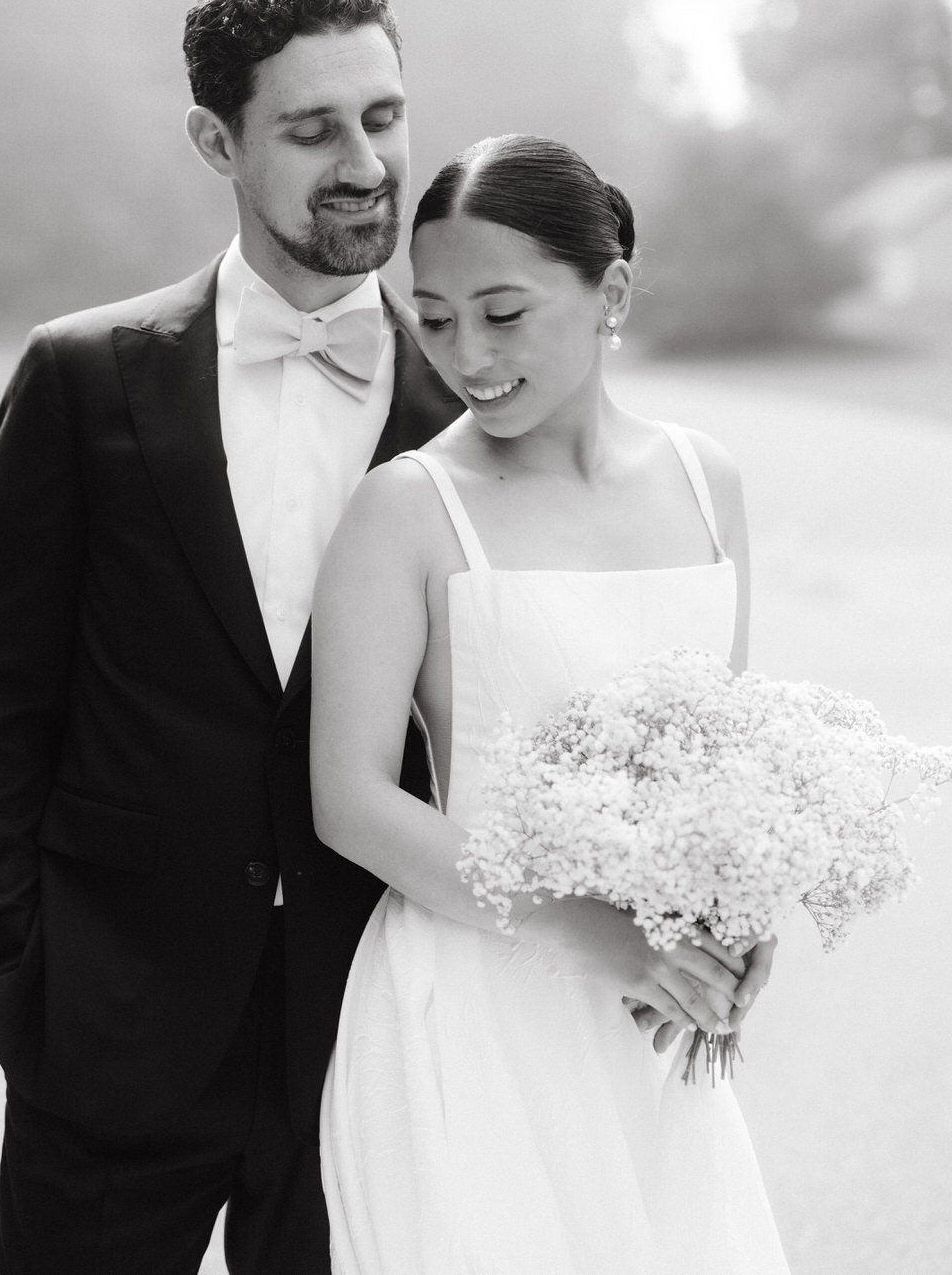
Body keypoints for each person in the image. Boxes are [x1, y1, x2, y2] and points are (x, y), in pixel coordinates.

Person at [0, 0, 458, 1275]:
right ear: (215, 139)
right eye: (311, 128)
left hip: (369, 1041)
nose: (363, 161)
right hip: (109, 1033)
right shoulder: (84, 376)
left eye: (383, 117)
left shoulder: (465, 412)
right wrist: (23, 977)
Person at [311, 133, 789, 1273]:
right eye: (433, 316)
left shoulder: (703, 478)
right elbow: (348, 798)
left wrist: (739, 904)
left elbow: (722, 753)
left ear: (609, 289)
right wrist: (584, 932)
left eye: (502, 310)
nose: (465, 352)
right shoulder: (407, 508)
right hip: (475, 1000)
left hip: (652, 1023)